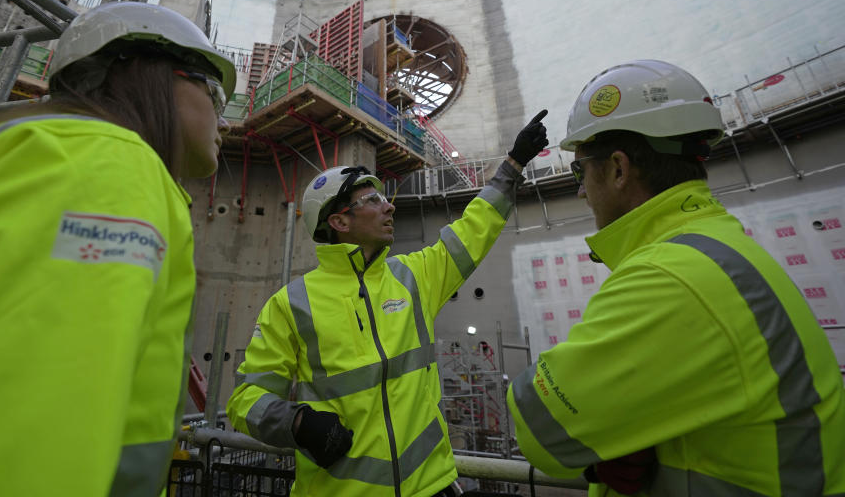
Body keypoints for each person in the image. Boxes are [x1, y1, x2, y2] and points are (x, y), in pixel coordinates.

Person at [0, 2, 235, 496]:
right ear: (153, 74)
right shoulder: (102, 166)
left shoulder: (62, 155)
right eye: (214, 92)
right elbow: (14, 432)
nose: (223, 120)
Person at [507, 60, 845, 496]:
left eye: (580, 172)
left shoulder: (665, 276)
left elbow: (541, 431)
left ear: (618, 169)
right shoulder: (719, 248)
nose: (580, 191)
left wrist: (607, 445)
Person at [227, 110, 550, 497]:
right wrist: (297, 423)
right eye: (373, 199)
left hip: (433, 488)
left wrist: (512, 167)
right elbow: (245, 401)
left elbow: (473, 230)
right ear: (340, 222)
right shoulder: (290, 305)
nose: (389, 206)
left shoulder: (414, 277)